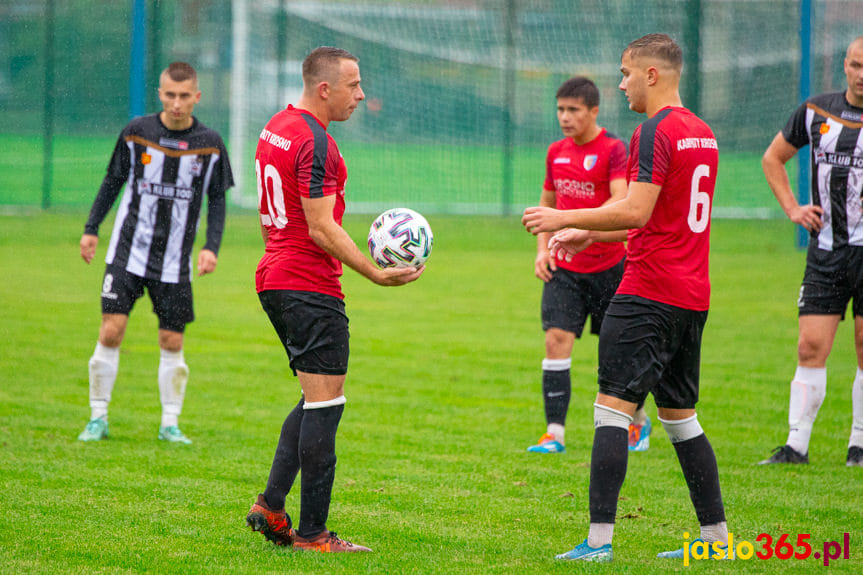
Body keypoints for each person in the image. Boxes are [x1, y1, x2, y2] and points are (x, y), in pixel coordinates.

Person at [522, 33, 728, 562]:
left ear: (652, 75)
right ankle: (716, 542)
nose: (621, 84)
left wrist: (563, 216)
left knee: (612, 412)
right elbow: (658, 220)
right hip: (691, 295)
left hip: (646, 294)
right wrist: (592, 233)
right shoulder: (702, 133)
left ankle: (598, 543)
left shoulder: (651, 132)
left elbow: (634, 212)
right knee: (682, 420)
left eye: (626, 73)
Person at [245, 46, 423, 554]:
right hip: (307, 284)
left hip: (275, 277)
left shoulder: (276, 125)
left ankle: (271, 506)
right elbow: (322, 226)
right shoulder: (317, 141)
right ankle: (314, 535)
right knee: (327, 406)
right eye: (354, 85)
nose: (361, 95)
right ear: (325, 88)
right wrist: (375, 271)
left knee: (313, 399)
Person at [78, 62, 233, 444]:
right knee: (111, 330)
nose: (177, 103)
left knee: (172, 341)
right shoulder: (137, 132)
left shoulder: (210, 143)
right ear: (160, 94)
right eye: (170, 94)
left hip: (175, 260)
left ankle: (170, 424)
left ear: (197, 96)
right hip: (128, 251)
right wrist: (91, 228)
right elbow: (112, 181)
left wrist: (211, 247)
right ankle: (97, 417)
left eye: (184, 96)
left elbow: (217, 200)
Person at [526, 76, 652, 455]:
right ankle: (554, 434)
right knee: (555, 340)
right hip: (565, 268)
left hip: (612, 267)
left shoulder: (614, 150)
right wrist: (542, 250)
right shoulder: (556, 152)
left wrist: (580, 227)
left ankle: (638, 421)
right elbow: (547, 205)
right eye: (561, 109)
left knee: (618, 351)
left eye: (573, 110)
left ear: (593, 111)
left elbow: (620, 204)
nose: (565, 117)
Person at [759, 35, 863, 467]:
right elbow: (773, 158)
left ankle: (859, 444)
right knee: (809, 346)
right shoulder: (817, 111)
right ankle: (796, 446)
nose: (862, 75)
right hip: (826, 250)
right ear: (845, 64)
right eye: (856, 65)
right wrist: (792, 208)